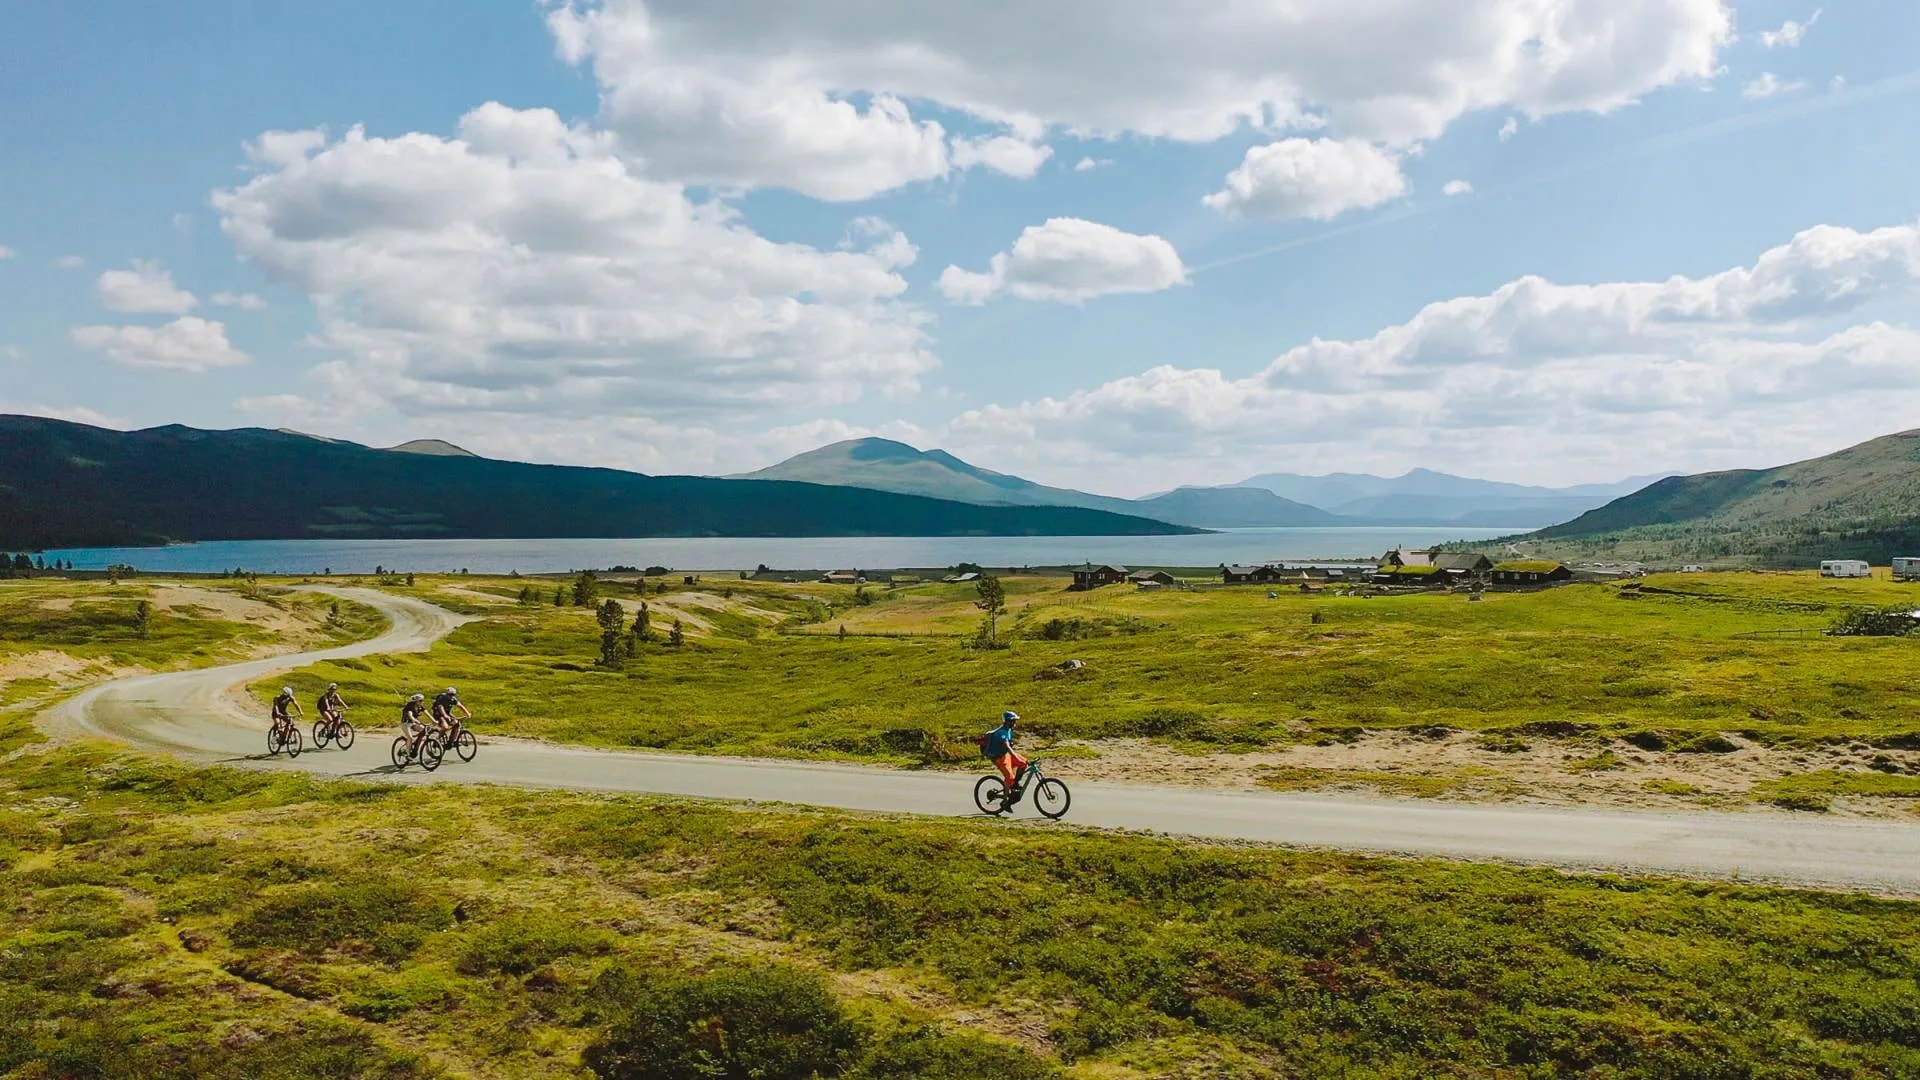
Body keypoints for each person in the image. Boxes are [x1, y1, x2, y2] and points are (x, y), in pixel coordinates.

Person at [982, 710, 1028, 800]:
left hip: (1005, 755)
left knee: (1024, 763)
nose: (1015, 723)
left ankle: (1015, 784)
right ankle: (1005, 800)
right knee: (1010, 777)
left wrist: (1018, 758)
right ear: (1008, 721)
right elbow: (1007, 747)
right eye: (1013, 721)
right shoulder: (1002, 733)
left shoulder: (1009, 730)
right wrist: (1015, 757)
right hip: (999, 758)